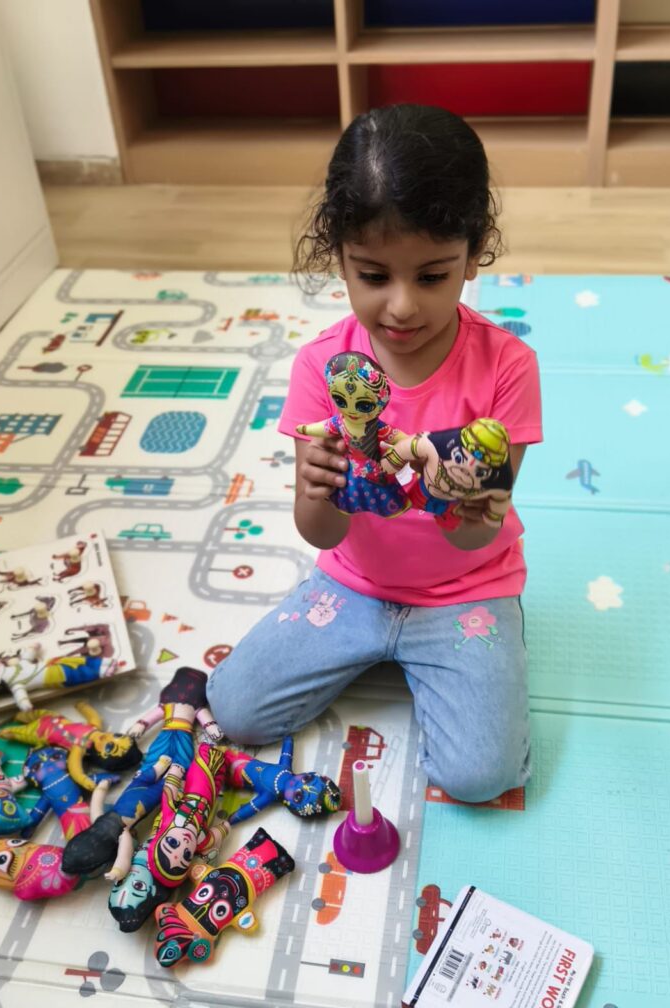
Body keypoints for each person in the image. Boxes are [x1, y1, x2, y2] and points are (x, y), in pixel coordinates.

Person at [207, 103, 543, 804]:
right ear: (339, 256)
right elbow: (321, 535)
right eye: (372, 275)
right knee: (232, 708)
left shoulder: (507, 368)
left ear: (474, 251)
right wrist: (315, 491)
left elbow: (474, 535)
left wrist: (467, 501)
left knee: (479, 777)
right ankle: (373, 649)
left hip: (465, 590)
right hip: (352, 584)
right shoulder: (322, 368)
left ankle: (474, 652)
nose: (401, 308)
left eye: (431, 276)